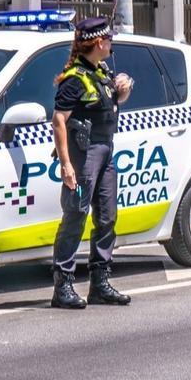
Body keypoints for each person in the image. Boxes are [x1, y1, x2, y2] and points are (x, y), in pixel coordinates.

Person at [49, 17, 134, 309]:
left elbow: (112, 103)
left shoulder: (101, 71)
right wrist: (66, 164)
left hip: (106, 150)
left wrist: (124, 88)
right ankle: (63, 286)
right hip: (84, 155)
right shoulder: (74, 78)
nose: (111, 44)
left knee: (107, 216)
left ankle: (99, 283)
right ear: (98, 42)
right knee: (76, 215)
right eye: (109, 40)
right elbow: (59, 121)